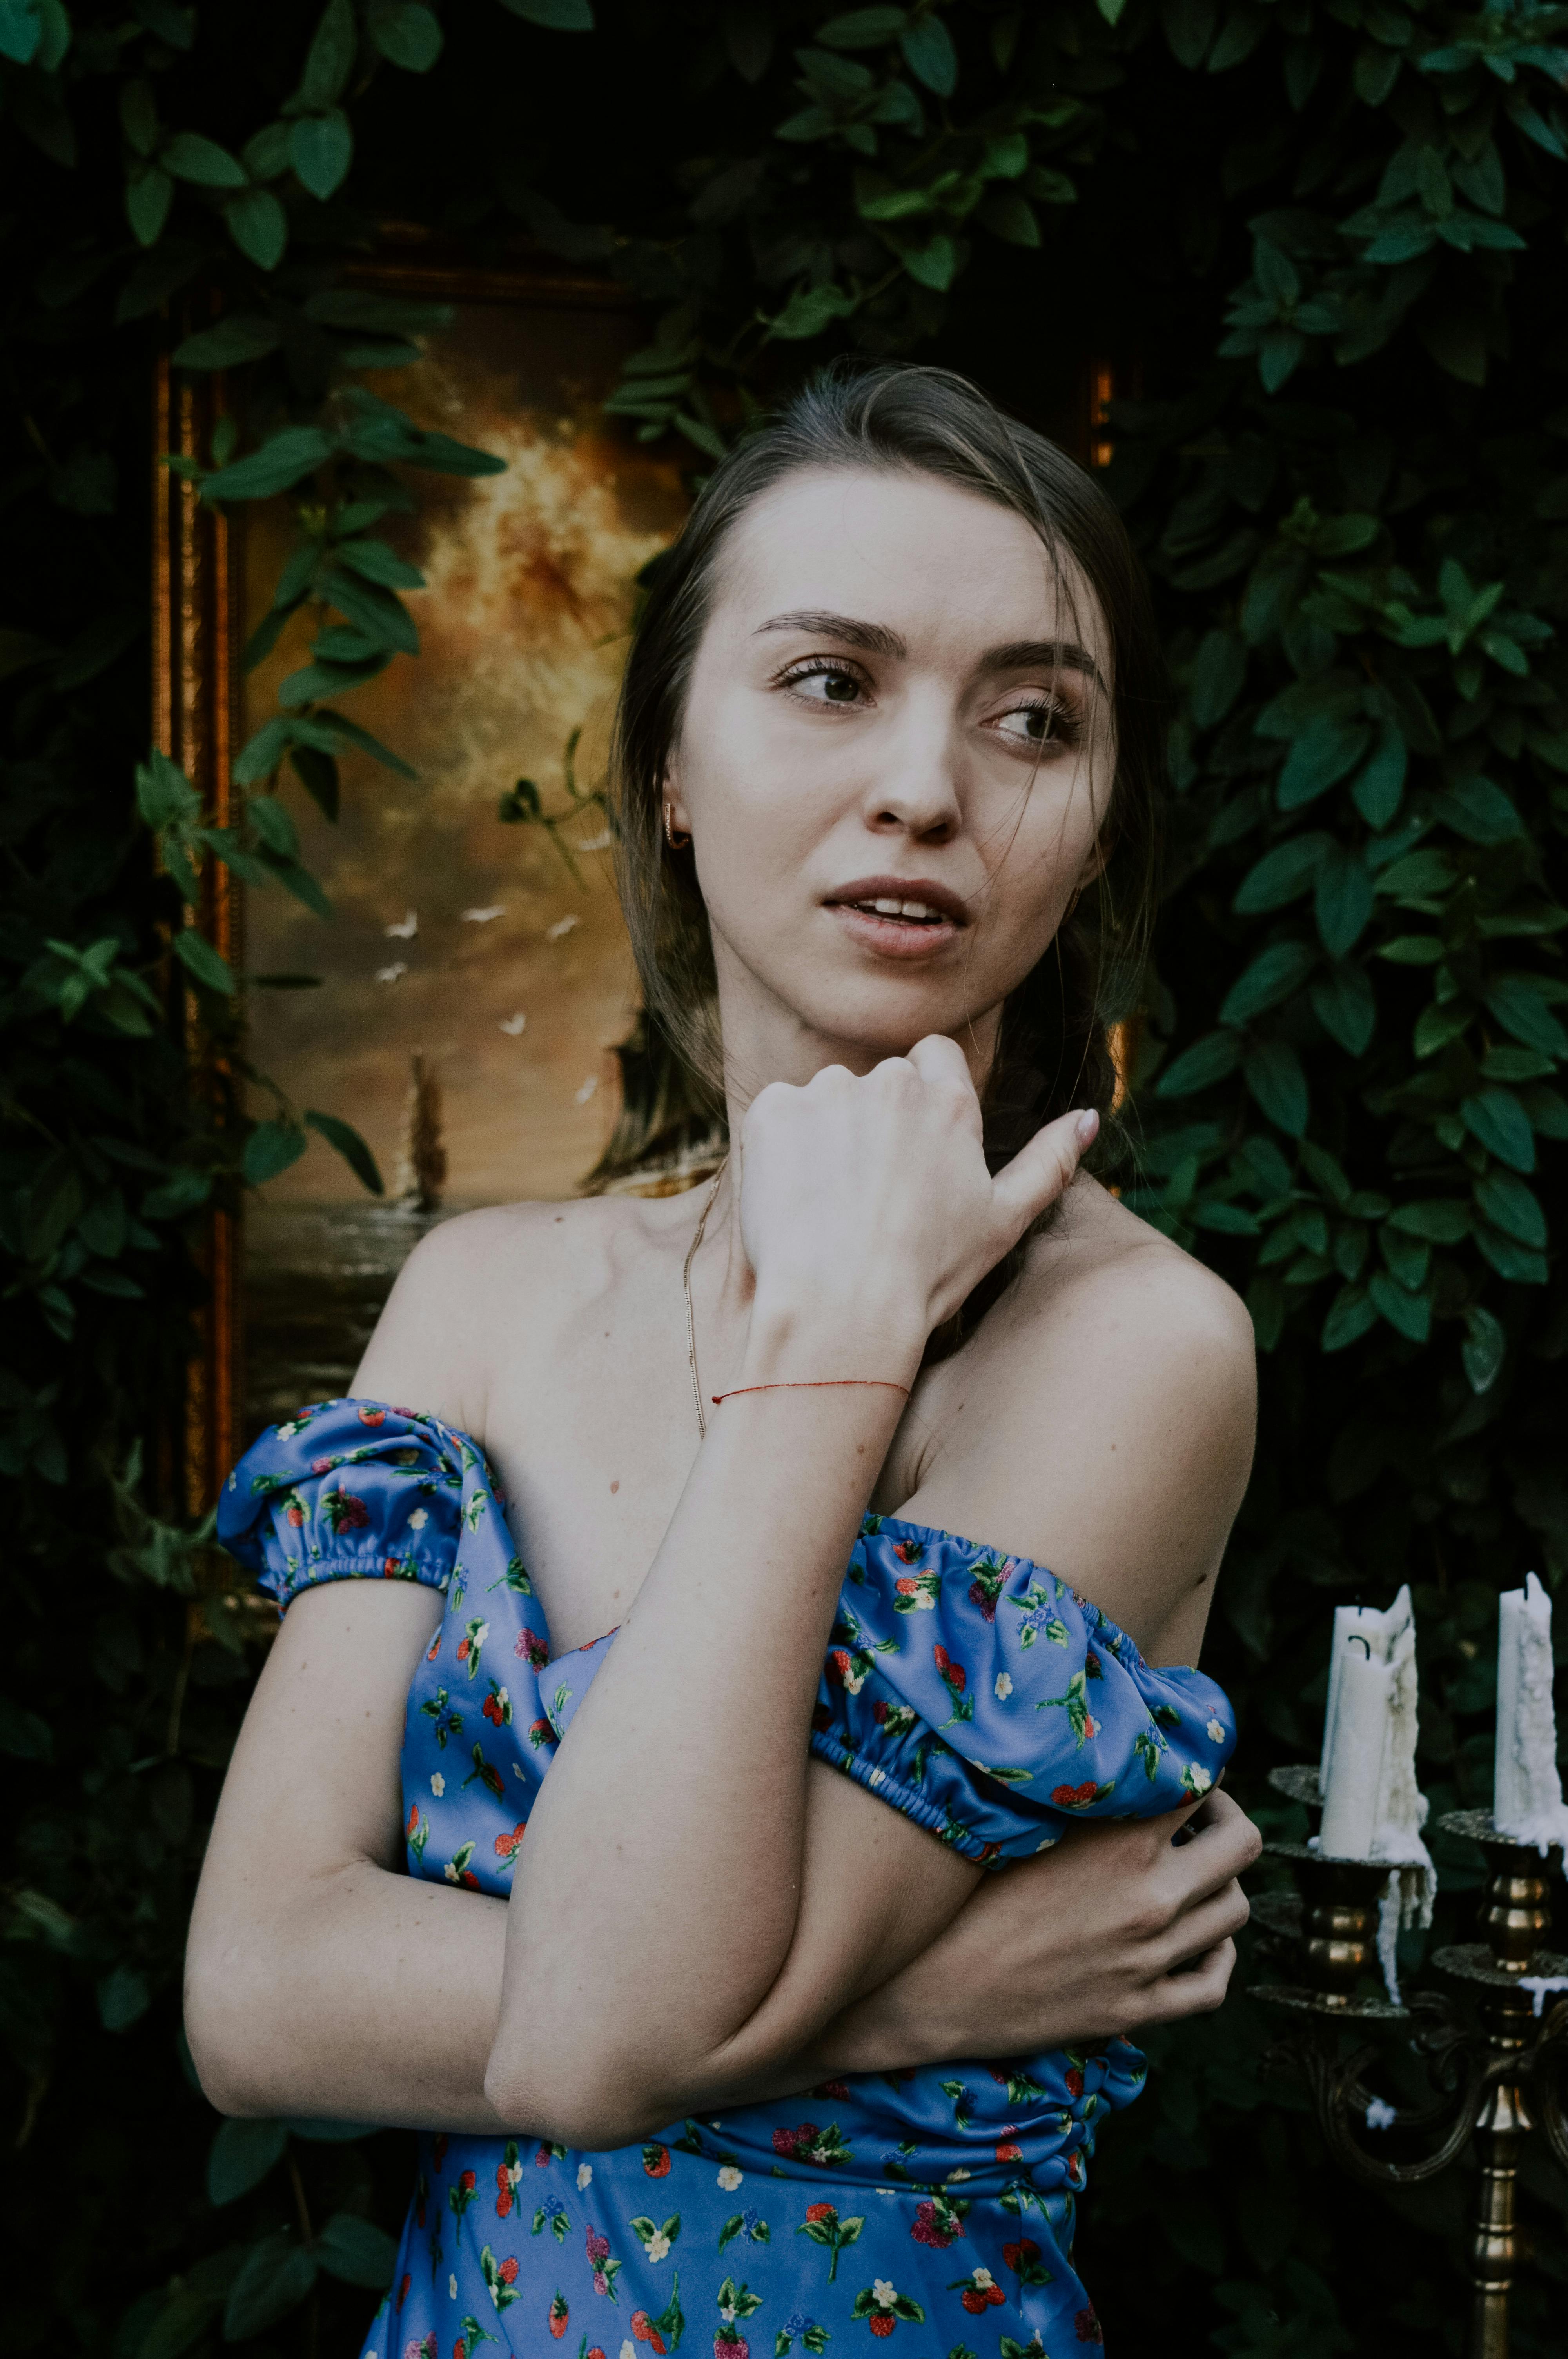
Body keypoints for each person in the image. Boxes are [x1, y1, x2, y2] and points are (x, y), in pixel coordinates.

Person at [187, 362, 1261, 2357]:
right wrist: (906, 2005)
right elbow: (257, 1991)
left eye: (1034, 717)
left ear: (1099, 828)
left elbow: (600, 2035)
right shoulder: (483, 1298)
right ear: (670, 764)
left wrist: (832, 1351)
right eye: (831, 679)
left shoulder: (1136, 1349)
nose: (928, 786)